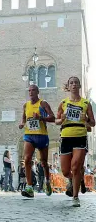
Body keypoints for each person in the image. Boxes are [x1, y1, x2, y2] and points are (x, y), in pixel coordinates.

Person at [55, 76, 95, 207]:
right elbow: (56, 121)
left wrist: (86, 119)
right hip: (66, 136)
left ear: (79, 86)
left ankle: (75, 197)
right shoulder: (63, 103)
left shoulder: (85, 103)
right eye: (71, 83)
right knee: (66, 171)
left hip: (80, 136)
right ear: (68, 86)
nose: (73, 84)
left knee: (76, 167)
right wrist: (62, 118)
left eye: (76, 83)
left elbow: (93, 123)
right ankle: (76, 180)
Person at [19, 84, 55, 198]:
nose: (31, 92)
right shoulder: (26, 105)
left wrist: (41, 118)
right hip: (29, 135)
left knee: (44, 162)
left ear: (38, 92)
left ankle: (47, 182)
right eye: (29, 90)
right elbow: (24, 118)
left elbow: (53, 117)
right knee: (27, 159)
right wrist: (22, 124)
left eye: (33, 90)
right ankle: (29, 187)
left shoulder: (43, 104)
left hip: (42, 136)